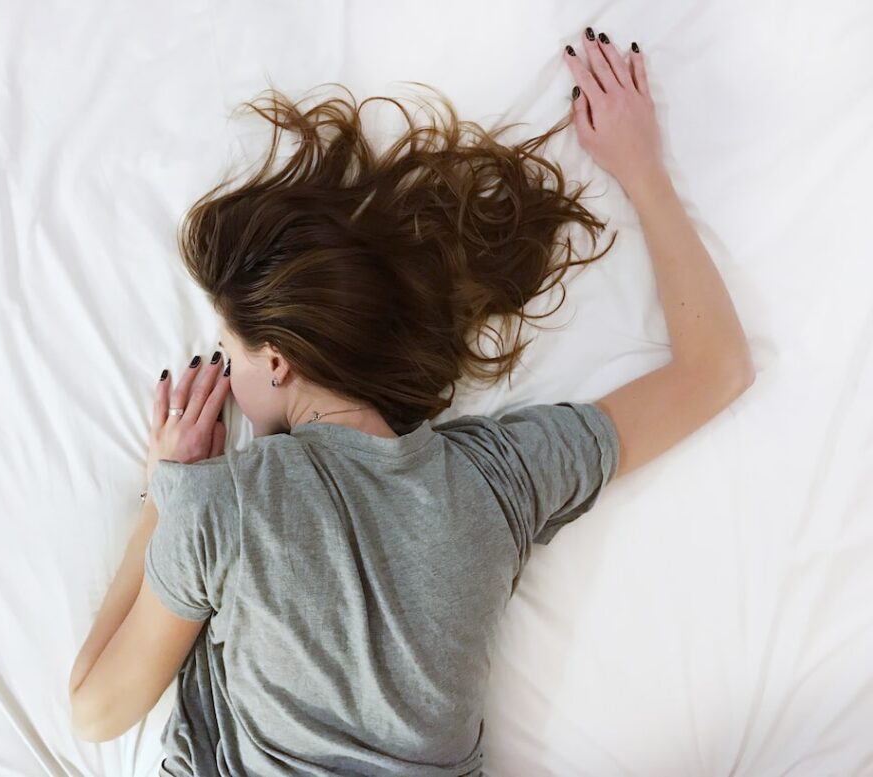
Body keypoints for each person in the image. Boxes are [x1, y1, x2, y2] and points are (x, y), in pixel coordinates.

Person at [69, 27, 755, 777]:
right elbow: (717, 368)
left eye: (229, 354)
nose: (226, 375)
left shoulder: (220, 504)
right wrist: (641, 170)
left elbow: (95, 711)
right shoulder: (498, 479)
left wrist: (163, 489)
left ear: (277, 360)